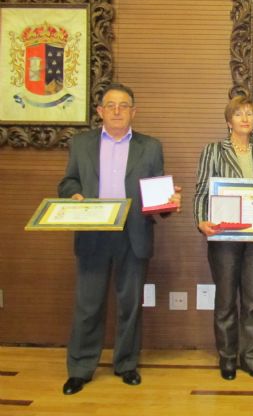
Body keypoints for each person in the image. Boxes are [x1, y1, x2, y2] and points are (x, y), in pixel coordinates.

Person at [58, 82, 182, 395]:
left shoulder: (150, 146)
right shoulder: (81, 144)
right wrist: (73, 194)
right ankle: (80, 369)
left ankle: (126, 364)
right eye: (110, 105)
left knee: (130, 305)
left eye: (124, 105)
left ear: (133, 112)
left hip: (133, 233)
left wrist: (168, 201)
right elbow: (68, 181)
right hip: (93, 233)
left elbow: (156, 196)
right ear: (100, 111)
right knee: (88, 305)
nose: (117, 111)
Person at [193, 96, 253, 380]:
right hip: (224, 237)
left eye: (249, 114)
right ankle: (227, 358)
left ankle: (250, 357)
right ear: (229, 121)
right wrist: (201, 220)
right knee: (226, 300)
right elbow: (202, 190)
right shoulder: (213, 150)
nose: (245, 118)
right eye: (239, 114)